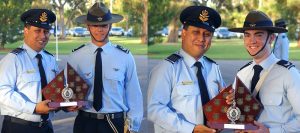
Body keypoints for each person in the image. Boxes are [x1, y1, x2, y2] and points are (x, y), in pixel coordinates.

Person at [148, 6, 233, 133]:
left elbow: (222, 103)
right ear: (184, 33)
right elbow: (154, 109)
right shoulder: (167, 68)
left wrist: (229, 101)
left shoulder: (213, 67)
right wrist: (191, 129)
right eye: (196, 32)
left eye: (207, 34)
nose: (201, 39)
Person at [67, 2, 143, 133]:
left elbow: (134, 94)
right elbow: (67, 90)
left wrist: (132, 127)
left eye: (103, 25)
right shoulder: (76, 56)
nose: (99, 30)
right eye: (95, 25)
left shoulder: (125, 56)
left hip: (114, 123)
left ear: (110, 26)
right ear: (88, 26)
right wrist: (69, 103)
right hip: (85, 123)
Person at [229, 10, 300, 133]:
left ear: (271, 38)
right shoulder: (241, 74)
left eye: (258, 34)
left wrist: (270, 131)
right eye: (247, 35)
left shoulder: (288, 74)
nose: (252, 41)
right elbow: (235, 115)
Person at [0, 9, 58, 133]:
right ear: (26, 31)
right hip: (19, 127)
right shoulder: (13, 59)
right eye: (37, 30)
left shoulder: (50, 59)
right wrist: (34, 108)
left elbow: (56, 89)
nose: (43, 36)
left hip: (46, 127)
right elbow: (2, 92)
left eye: (46, 31)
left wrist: (65, 105)